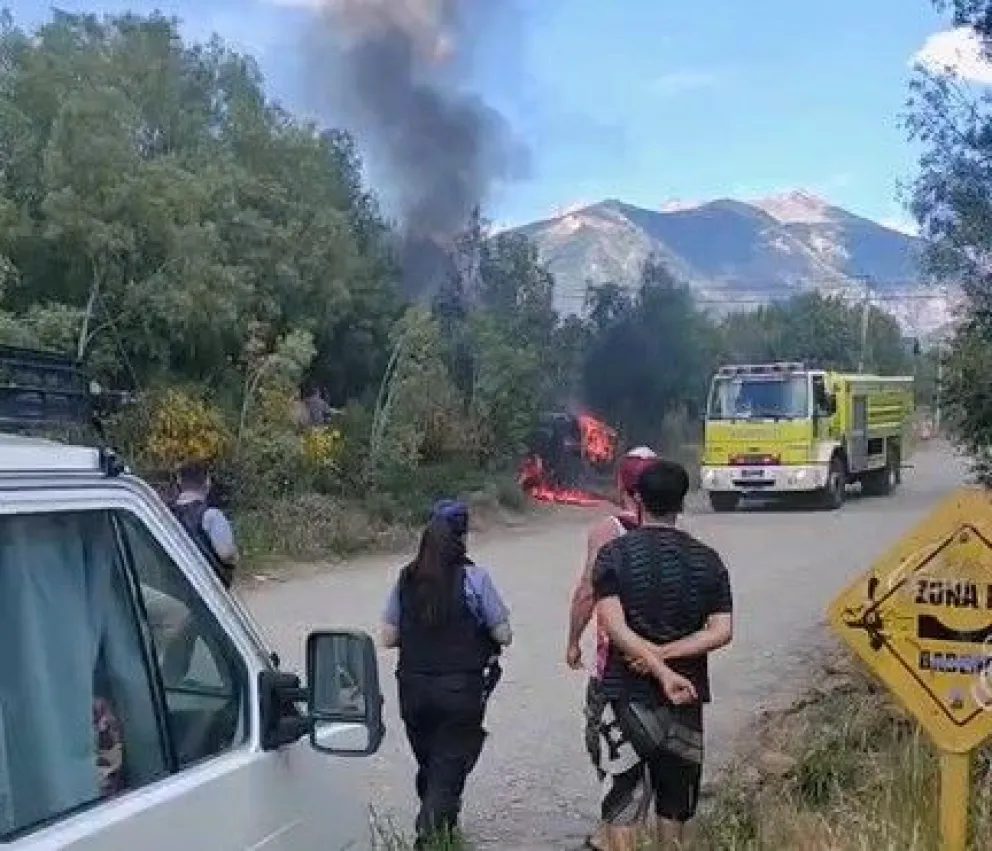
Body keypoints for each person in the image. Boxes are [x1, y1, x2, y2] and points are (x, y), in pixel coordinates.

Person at [591, 459, 734, 851]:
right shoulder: (708, 560)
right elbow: (722, 631)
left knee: (623, 806)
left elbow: (611, 624)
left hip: (626, 698)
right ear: (681, 503)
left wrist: (651, 658)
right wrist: (668, 658)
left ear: (637, 500)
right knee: (676, 811)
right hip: (685, 701)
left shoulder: (614, 556)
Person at [379, 507, 512, 848]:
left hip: (413, 689)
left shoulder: (405, 578)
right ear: (462, 540)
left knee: (432, 763)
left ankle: (444, 827)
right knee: (448, 764)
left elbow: (389, 637)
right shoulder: (475, 579)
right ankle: (429, 836)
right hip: (460, 691)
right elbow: (503, 634)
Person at [564, 446, 659, 851]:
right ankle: (636, 824)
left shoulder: (607, 531)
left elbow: (587, 592)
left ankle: (616, 833)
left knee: (606, 742)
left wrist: (571, 640)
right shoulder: (672, 528)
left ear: (621, 483)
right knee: (653, 742)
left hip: (615, 661)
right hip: (662, 659)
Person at [169, 461, 239, 588]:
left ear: (179, 482)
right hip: (209, 587)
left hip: (175, 586)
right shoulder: (212, 515)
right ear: (208, 482)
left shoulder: (165, 514)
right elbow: (226, 554)